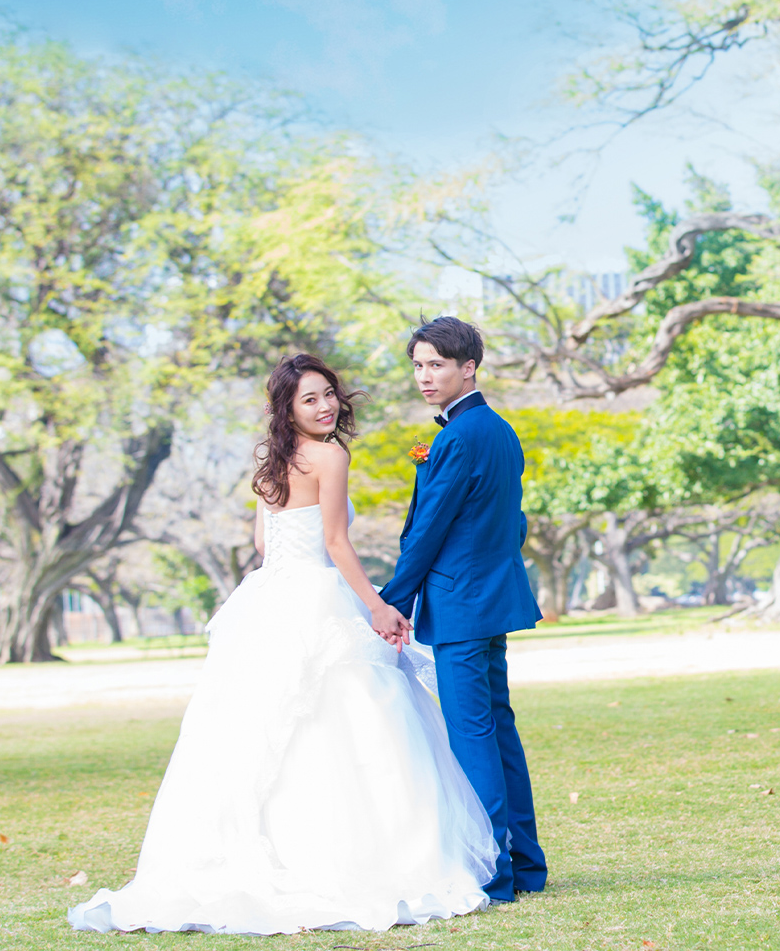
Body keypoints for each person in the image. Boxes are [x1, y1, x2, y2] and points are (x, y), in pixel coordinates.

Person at [69, 354, 498, 935]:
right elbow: (337, 542)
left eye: (328, 395)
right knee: (349, 719)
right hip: (319, 592)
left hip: (270, 599)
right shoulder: (330, 455)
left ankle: (266, 855)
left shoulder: (271, 459)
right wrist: (376, 605)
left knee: (263, 727)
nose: (324, 407)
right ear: (288, 409)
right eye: (309, 400)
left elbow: (263, 542)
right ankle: (358, 860)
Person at [380, 317, 548, 904]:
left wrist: (390, 602)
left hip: (460, 605)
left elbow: (427, 531)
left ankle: (493, 874)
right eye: (419, 365)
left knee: (472, 737)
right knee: (498, 732)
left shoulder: (458, 437)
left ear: (468, 367)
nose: (425, 377)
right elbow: (514, 521)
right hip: (490, 600)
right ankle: (525, 866)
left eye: (437, 365)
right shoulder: (499, 430)